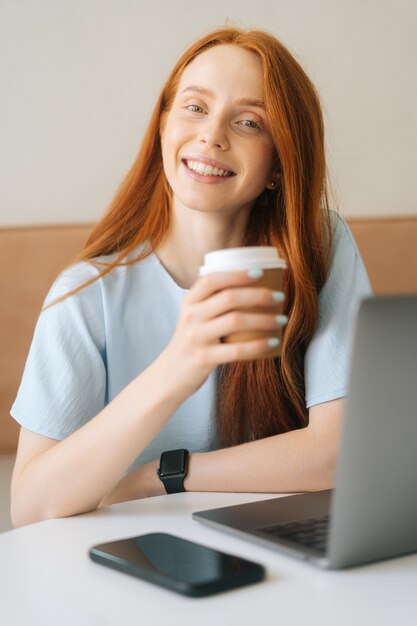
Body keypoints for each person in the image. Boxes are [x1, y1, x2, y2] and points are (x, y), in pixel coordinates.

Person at [10, 27, 372, 527]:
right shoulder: (86, 296)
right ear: (163, 126)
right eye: (195, 107)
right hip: (141, 559)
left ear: (278, 165)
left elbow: (338, 453)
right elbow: (30, 507)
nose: (212, 136)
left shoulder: (318, 248)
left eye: (248, 122)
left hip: (283, 555)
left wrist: (164, 473)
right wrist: (179, 366)